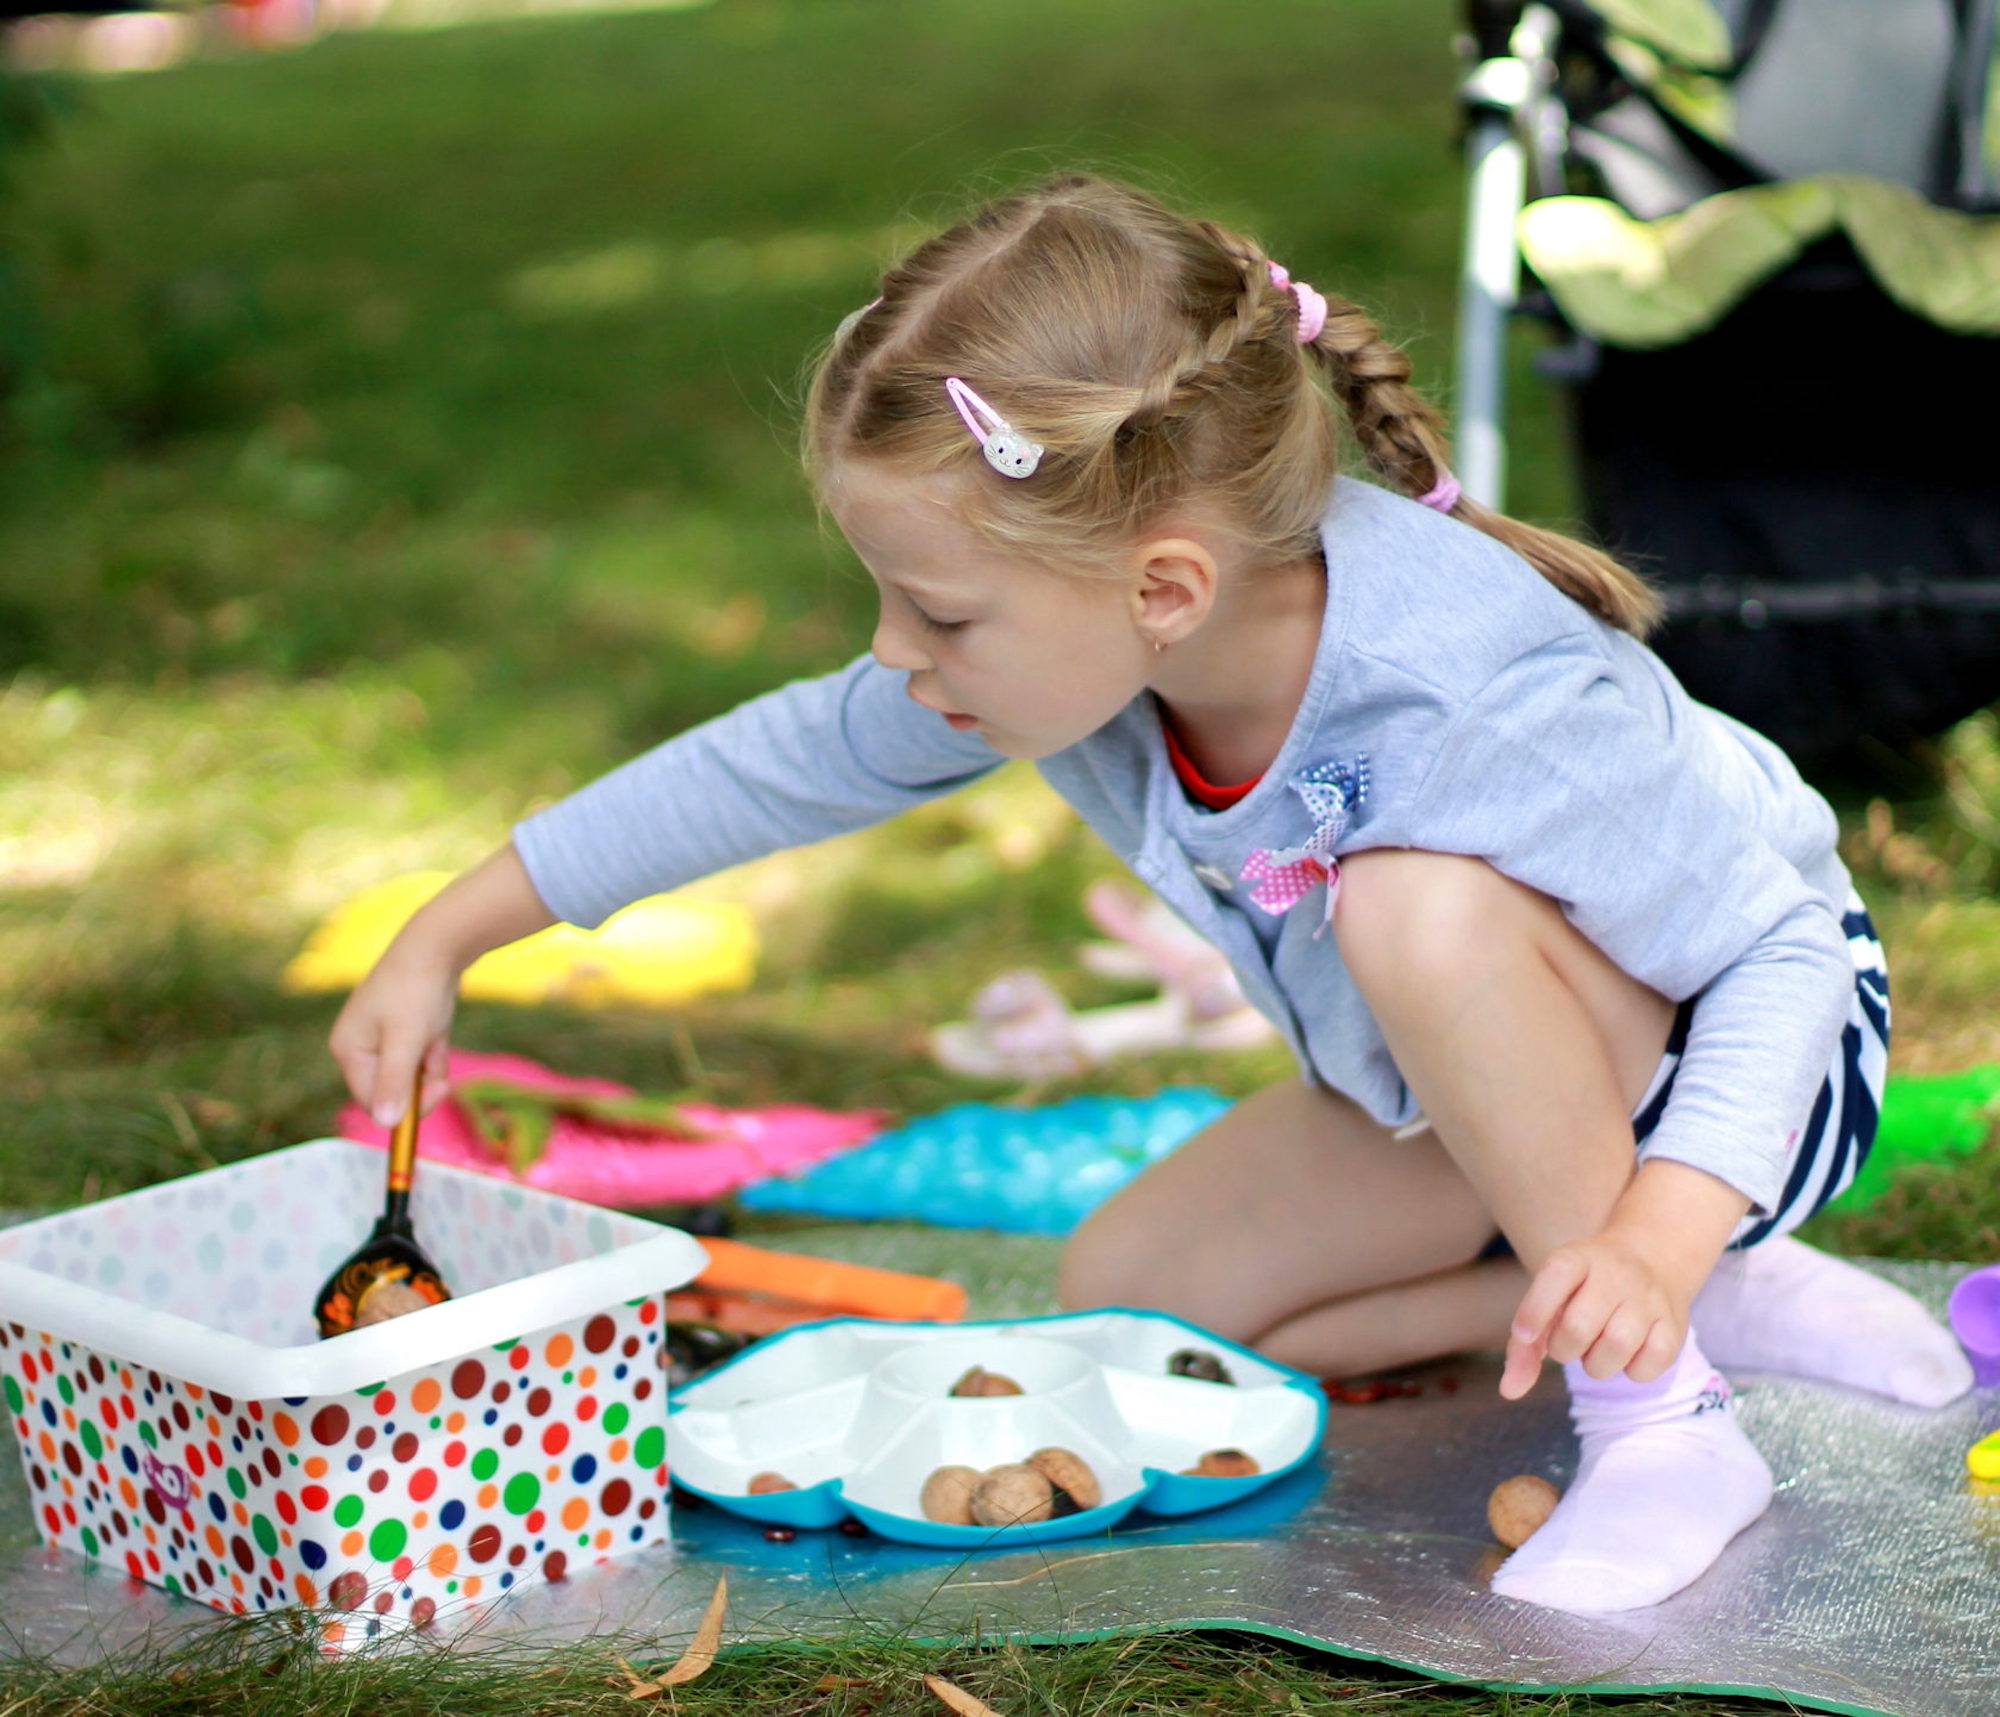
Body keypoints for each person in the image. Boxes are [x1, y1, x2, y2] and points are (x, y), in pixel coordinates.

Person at [329, 172, 1972, 1615]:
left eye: (940, 616)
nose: (899, 655)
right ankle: (1681, 1295)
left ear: (1164, 586)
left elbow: (1773, 956)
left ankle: (1663, 1421)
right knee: (1140, 1316)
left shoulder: (1472, 692)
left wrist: (1662, 1220)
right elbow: (774, 762)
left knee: (1414, 905)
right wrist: (453, 925)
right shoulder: (1102, 636)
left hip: (1745, 1065)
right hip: (1451, 1102)